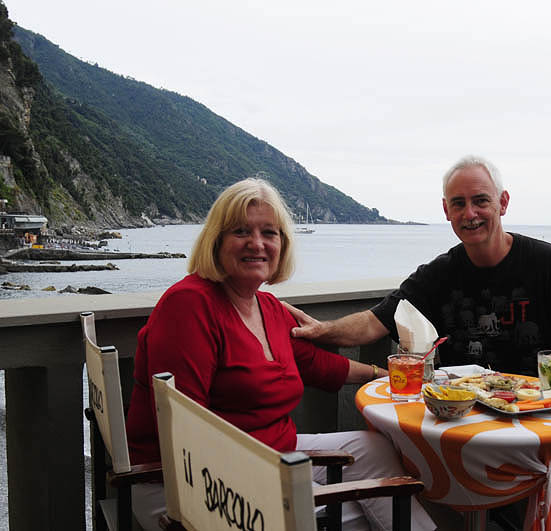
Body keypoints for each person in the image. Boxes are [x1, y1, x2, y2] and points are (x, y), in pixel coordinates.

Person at [125, 178, 436, 531]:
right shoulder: (190, 305)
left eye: (269, 233)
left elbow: (318, 365)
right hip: (193, 486)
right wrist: (282, 488)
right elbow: (187, 432)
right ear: (216, 240)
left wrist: (386, 375)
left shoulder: (268, 307)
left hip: (270, 455)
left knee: (374, 449)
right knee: (376, 510)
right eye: (241, 231)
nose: (256, 243)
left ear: (282, 245)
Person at [286, 155, 551, 380]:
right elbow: (373, 322)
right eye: (458, 203)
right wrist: (321, 330)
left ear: (503, 203)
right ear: (447, 210)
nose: (470, 213)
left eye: (481, 201)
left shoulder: (545, 261)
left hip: (531, 413)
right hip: (461, 413)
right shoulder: (439, 274)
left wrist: (544, 398)